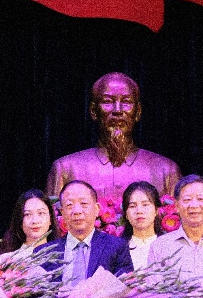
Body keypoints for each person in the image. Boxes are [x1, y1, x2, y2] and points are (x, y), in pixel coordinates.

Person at [45, 72, 180, 203]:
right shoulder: (66, 169)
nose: (117, 110)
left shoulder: (166, 171)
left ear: (138, 112)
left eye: (126, 102)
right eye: (107, 102)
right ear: (93, 111)